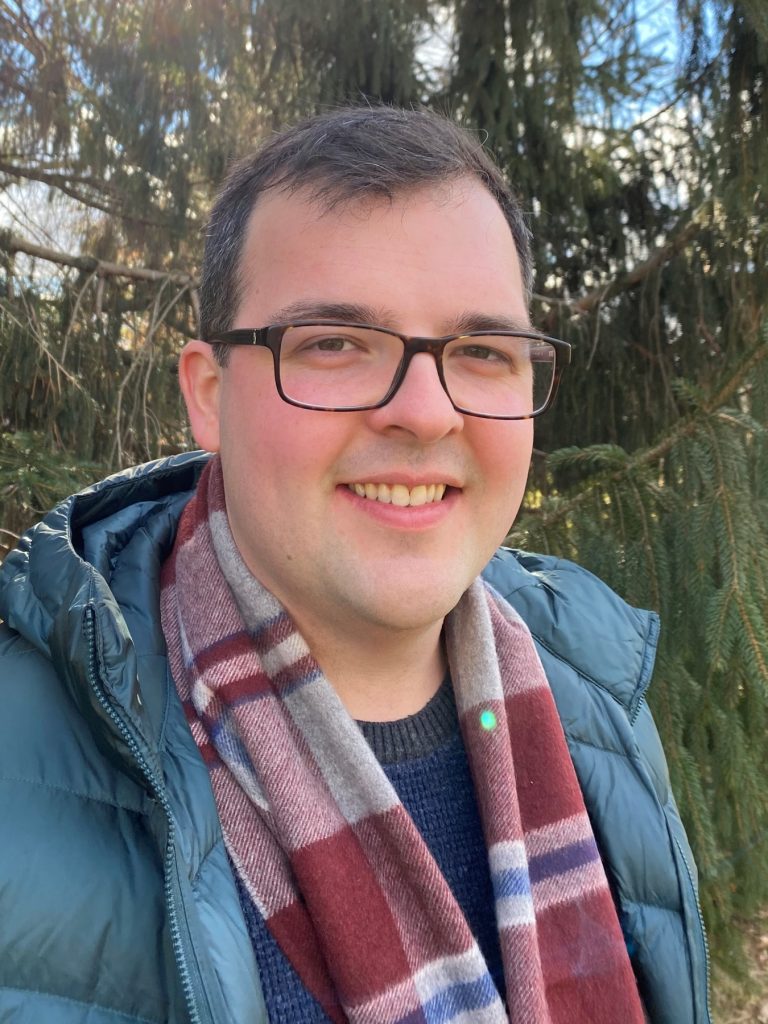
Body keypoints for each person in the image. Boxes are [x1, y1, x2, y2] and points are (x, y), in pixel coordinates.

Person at [0, 106, 709, 1024]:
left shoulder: (600, 706)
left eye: (483, 351)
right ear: (210, 396)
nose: (426, 412)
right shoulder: (20, 768)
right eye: (334, 343)